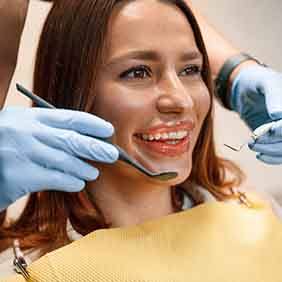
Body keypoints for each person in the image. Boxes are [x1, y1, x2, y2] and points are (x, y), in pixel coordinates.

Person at [1, 0, 282, 280]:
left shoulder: (261, 220)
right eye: (137, 72)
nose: (181, 100)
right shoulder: (38, 270)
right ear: (70, 94)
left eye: (191, 70)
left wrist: (237, 69)